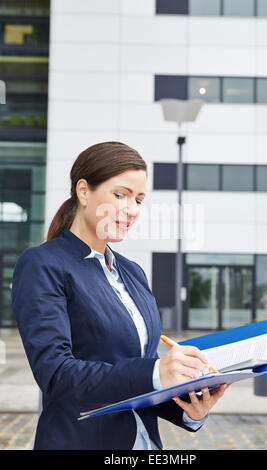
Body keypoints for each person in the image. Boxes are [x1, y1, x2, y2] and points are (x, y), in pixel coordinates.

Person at [11, 142, 228, 450]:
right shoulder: (43, 264)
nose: (132, 210)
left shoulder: (132, 272)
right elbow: (56, 374)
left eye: (139, 199)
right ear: (84, 191)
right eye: (120, 194)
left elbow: (137, 377)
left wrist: (188, 408)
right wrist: (156, 371)